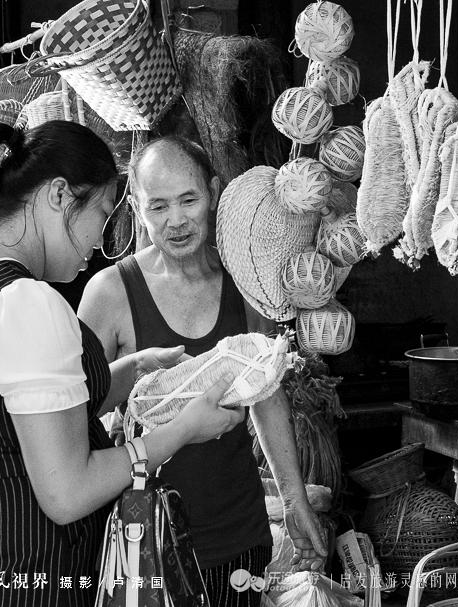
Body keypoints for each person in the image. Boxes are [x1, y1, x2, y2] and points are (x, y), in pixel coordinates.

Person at [0, 122, 244, 607]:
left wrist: (131, 371)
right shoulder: (25, 302)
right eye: (102, 214)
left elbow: (16, 413)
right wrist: (179, 432)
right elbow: (67, 493)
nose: (99, 242)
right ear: (57, 195)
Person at [79, 136, 327, 607]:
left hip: (238, 536)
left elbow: (267, 393)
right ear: (136, 206)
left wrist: (294, 500)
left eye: (189, 200)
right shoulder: (109, 293)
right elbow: (78, 406)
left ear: (213, 192)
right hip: (143, 539)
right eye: (158, 206)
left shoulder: (243, 280)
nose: (175, 221)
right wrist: (135, 378)